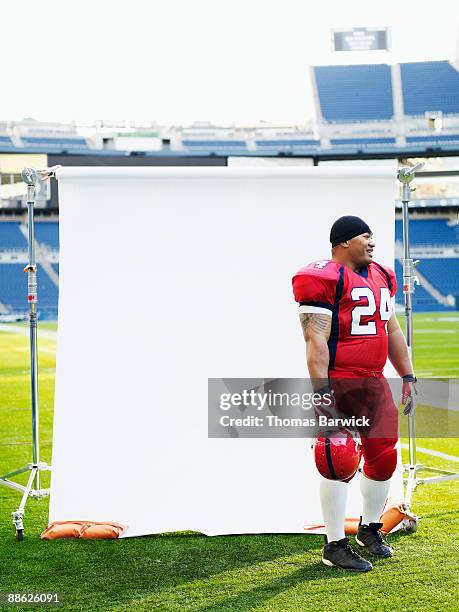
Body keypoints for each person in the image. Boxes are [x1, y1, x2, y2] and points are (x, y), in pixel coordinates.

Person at [292, 215, 417, 572]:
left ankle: (370, 527)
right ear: (344, 242)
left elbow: (391, 329)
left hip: (374, 381)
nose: (373, 242)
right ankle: (334, 545)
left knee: (384, 456)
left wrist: (406, 374)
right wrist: (323, 396)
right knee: (338, 458)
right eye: (366, 236)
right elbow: (315, 343)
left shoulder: (380, 275)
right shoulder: (324, 279)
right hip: (341, 381)